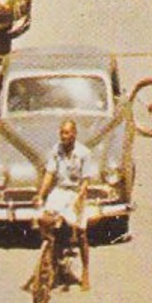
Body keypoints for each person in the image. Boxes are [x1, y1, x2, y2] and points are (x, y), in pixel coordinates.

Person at [34, 118, 95, 292]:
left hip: (76, 193)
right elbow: (50, 174)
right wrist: (41, 194)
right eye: (61, 132)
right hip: (60, 191)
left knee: (81, 232)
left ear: (74, 134)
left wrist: (79, 198)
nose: (63, 136)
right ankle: (53, 252)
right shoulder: (56, 150)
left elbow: (85, 181)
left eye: (67, 133)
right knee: (44, 220)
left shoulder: (84, 153)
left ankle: (85, 271)